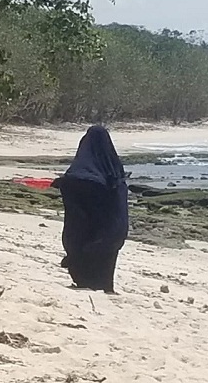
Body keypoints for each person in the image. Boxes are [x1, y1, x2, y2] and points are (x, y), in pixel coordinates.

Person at [54, 125, 129, 293]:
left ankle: (83, 278)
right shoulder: (112, 170)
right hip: (108, 235)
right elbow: (118, 200)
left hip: (79, 236)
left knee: (82, 262)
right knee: (103, 269)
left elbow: (71, 186)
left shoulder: (77, 173)